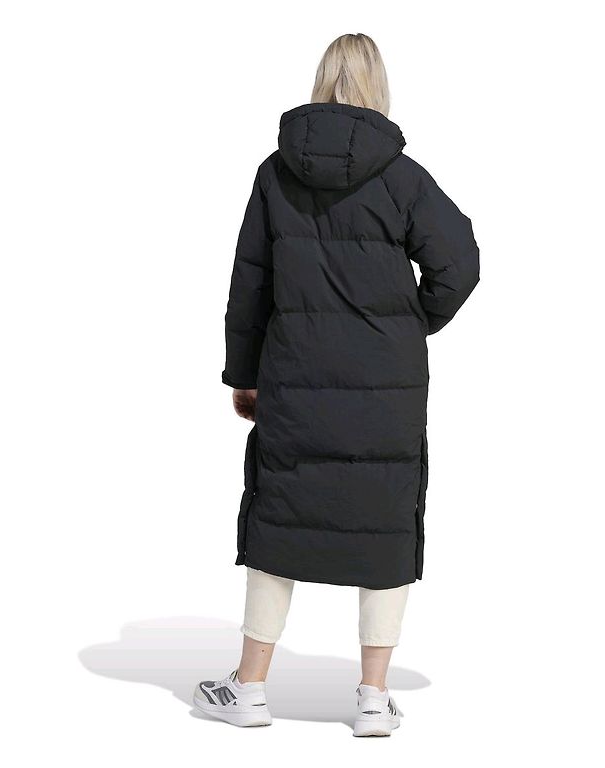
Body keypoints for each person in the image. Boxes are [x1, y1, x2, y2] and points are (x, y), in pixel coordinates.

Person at [194, 33, 480, 737]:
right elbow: (460, 263)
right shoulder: (403, 177)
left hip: (295, 377)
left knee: (278, 515)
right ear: (378, 85)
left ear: (321, 81)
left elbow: (249, 284)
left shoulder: (274, 174)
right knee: (384, 520)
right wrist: (412, 324)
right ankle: (373, 699)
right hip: (387, 383)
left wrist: (243, 374)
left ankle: (250, 688)